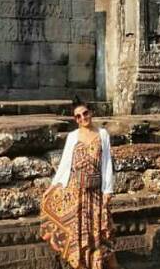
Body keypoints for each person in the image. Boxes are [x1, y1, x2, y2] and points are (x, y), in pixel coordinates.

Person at [41, 103, 117, 269]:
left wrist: (108, 190)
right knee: (79, 228)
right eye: (78, 116)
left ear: (91, 113)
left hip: (96, 190)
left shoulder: (102, 134)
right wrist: (52, 186)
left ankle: (99, 262)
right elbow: (65, 164)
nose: (83, 118)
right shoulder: (73, 136)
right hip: (76, 190)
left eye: (85, 113)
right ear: (75, 119)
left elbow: (107, 163)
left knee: (99, 226)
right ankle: (82, 263)